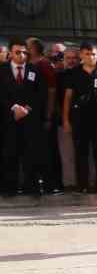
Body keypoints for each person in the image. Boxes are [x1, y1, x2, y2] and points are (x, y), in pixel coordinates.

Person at [59, 44, 97, 195]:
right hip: (80, 118)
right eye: (88, 54)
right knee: (81, 152)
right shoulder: (74, 74)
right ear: (82, 55)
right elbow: (68, 97)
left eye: (94, 54)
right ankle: (82, 185)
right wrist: (65, 120)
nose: (91, 57)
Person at [3, 39, 49, 199]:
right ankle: (9, 188)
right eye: (17, 52)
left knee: (31, 153)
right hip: (9, 120)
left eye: (24, 52)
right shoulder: (2, 70)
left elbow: (41, 93)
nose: (21, 55)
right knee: (10, 153)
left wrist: (27, 108)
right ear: (10, 53)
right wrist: (14, 108)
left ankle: (32, 186)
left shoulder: (33, 70)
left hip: (30, 120)